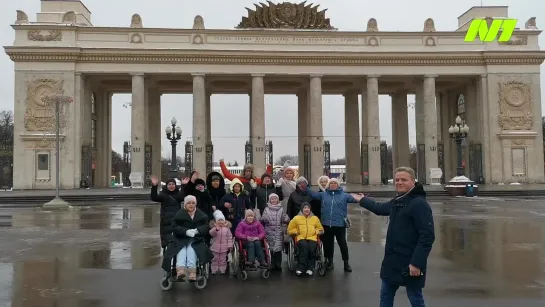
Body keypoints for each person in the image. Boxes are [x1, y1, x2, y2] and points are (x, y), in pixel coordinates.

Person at [351, 166, 435, 307]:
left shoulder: (419, 204)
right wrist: (362, 200)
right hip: (392, 259)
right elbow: (380, 209)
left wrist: (416, 263)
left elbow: (427, 237)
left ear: (413, 182)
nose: (399, 182)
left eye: (403, 179)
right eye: (397, 180)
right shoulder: (399, 200)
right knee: (386, 295)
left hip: (410, 260)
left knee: (415, 297)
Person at [305, 177, 356, 272]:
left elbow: (356, 199)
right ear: (328, 185)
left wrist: (366, 198)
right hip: (326, 224)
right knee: (328, 244)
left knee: (343, 244)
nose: (333, 185)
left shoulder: (344, 196)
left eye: (334, 183)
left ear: (338, 185)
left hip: (339, 224)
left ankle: (346, 263)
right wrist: (305, 186)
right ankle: (329, 262)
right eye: (331, 183)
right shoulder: (323, 194)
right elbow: (313, 194)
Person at [162, 195, 212, 281]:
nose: (191, 205)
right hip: (180, 238)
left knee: (191, 250)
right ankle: (180, 271)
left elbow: (206, 226)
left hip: (195, 239)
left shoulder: (201, 214)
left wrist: (197, 231)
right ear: (185, 205)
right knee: (181, 250)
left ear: (195, 204)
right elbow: (174, 227)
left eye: (193, 203)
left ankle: (192, 272)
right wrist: (185, 231)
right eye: (189, 203)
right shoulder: (179, 214)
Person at [287, 202, 324, 276]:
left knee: (312, 248)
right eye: (305, 208)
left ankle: (310, 268)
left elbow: (321, 230)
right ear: (302, 209)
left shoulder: (315, 218)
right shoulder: (296, 218)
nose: (306, 209)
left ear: (310, 209)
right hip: (301, 237)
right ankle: (301, 268)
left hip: (312, 237)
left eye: (308, 208)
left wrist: (315, 232)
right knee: (304, 247)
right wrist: (295, 231)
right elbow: (289, 230)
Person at [150, 175, 185, 249]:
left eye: (173, 184)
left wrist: (184, 185)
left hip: (176, 221)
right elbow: (154, 197)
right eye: (169, 184)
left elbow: (183, 195)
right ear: (166, 186)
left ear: (175, 185)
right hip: (166, 222)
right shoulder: (163, 195)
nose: (171, 186)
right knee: (167, 240)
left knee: (177, 240)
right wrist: (154, 186)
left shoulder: (178, 195)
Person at [261, 193, 289, 271]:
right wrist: (264, 218)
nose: (274, 200)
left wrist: (286, 218)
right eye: (272, 199)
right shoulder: (266, 209)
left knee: (278, 249)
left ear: (278, 200)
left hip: (278, 232)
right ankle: (272, 263)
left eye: (275, 199)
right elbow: (262, 218)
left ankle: (278, 264)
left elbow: (284, 218)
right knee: (270, 249)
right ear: (270, 200)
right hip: (269, 232)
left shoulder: (281, 209)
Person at [209, 210, 233, 275]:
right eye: (219, 220)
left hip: (224, 248)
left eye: (222, 220)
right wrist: (216, 229)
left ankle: (222, 270)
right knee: (214, 259)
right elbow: (211, 233)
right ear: (216, 221)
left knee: (223, 260)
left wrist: (230, 245)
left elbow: (229, 237)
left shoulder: (227, 229)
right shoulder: (214, 228)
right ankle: (214, 270)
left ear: (224, 221)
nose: (220, 222)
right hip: (215, 247)